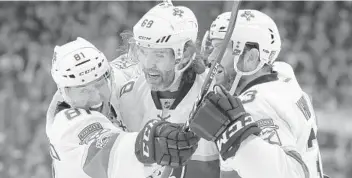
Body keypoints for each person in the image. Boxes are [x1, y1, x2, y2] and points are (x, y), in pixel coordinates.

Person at [189, 10, 325, 178]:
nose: (210, 57)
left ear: (251, 58)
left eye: (221, 49)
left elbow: (292, 174)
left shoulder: (255, 103)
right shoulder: (283, 79)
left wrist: (236, 137)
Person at [46, 37, 198, 178]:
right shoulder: (65, 124)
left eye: (99, 84)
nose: (96, 98)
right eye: (83, 91)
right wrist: (149, 143)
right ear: (63, 93)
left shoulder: (115, 78)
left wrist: (188, 61)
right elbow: (102, 153)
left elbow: (143, 59)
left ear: (109, 75)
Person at [117, 2, 220, 178]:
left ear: (185, 53)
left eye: (159, 54)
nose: (148, 65)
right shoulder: (128, 95)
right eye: (143, 52)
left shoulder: (214, 96)